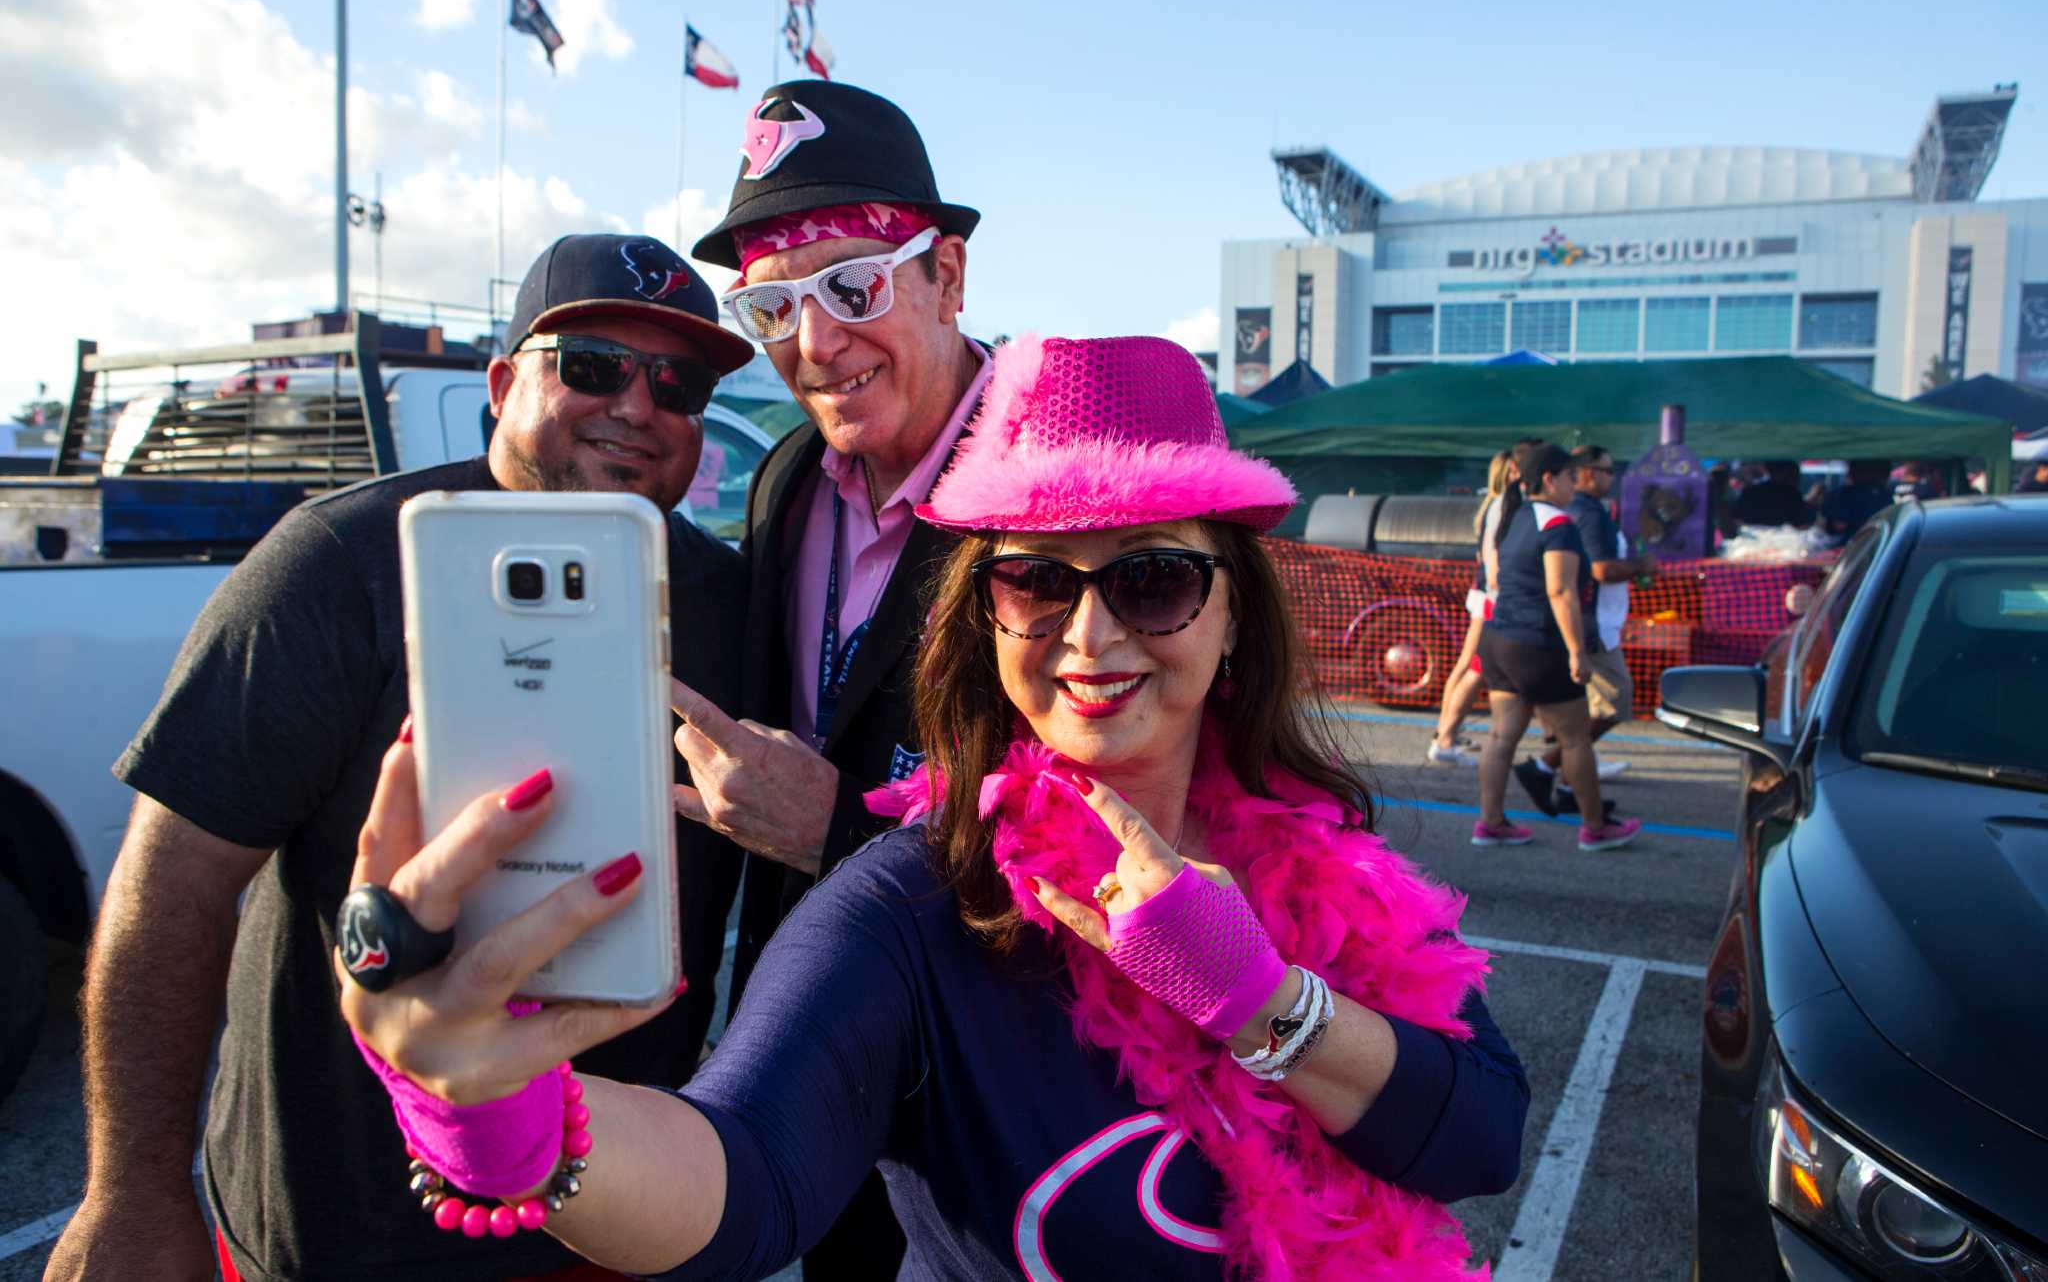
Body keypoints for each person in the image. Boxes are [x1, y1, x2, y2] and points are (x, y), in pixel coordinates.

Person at [334, 333, 1527, 1280]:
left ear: (1229, 615)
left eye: (1153, 578)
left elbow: (1478, 1138)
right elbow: (746, 1180)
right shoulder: (911, 905)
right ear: (986, 615)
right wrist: (499, 1119)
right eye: (1036, 580)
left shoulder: (1322, 852)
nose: (1091, 637)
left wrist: (1261, 1002)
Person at [46, 235, 756, 1282]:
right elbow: (174, 882)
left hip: (602, 1226)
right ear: (505, 383)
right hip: (330, 1233)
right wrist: (132, 1192)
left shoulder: (729, 603)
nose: (638, 407)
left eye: (676, 383)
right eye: (595, 367)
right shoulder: (339, 566)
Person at [667, 80, 989, 1273]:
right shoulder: (789, 474)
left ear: (945, 276)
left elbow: (1134, 840)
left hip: (988, 1069)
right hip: (808, 1045)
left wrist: (839, 832)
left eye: (852, 287)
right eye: (769, 307)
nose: (814, 345)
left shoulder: (1054, 497)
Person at [1473, 442, 1642, 851]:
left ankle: (1490, 823)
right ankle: (1595, 827)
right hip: (1539, 644)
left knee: (1501, 736)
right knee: (1575, 739)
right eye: (1570, 476)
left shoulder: (1513, 516)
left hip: (1499, 638)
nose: (1574, 484)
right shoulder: (1558, 524)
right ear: (1549, 479)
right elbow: (1561, 591)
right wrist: (1577, 651)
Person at [1513, 445, 1656, 818]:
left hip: (1587, 626)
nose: (1612, 478)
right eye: (1607, 471)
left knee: (1583, 717)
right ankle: (1551, 773)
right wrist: (1639, 565)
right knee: (1604, 708)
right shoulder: (1580, 516)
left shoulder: (1569, 513)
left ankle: (1562, 781)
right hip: (1588, 628)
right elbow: (1595, 573)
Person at [1425, 446, 1518, 767]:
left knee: (1468, 665)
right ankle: (1445, 737)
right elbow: (1492, 558)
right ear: (1506, 473)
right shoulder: (1503, 504)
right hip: (1489, 595)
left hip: (1483, 593)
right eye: (1516, 470)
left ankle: (1444, 734)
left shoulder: (1493, 503)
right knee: (1473, 668)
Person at [1729, 459, 1816, 529]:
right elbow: (1802, 524)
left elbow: (1736, 519)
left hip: (1750, 544)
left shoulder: (1750, 491)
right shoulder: (1791, 494)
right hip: (1782, 544)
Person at [1821, 458, 1893, 540]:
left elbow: (1839, 525)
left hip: (1853, 544)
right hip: (1879, 542)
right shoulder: (1885, 495)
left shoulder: (1844, 494)